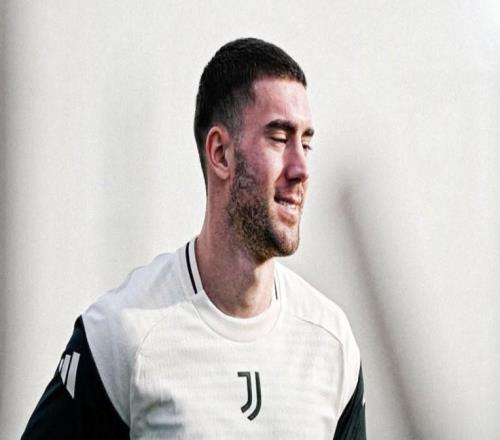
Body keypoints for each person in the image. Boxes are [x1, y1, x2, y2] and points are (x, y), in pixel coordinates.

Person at [22, 37, 366, 439]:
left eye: (306, 143)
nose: (301, 168)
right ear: (220, 153)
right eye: (279, 138)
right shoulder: (118, 334)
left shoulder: (332, 343)